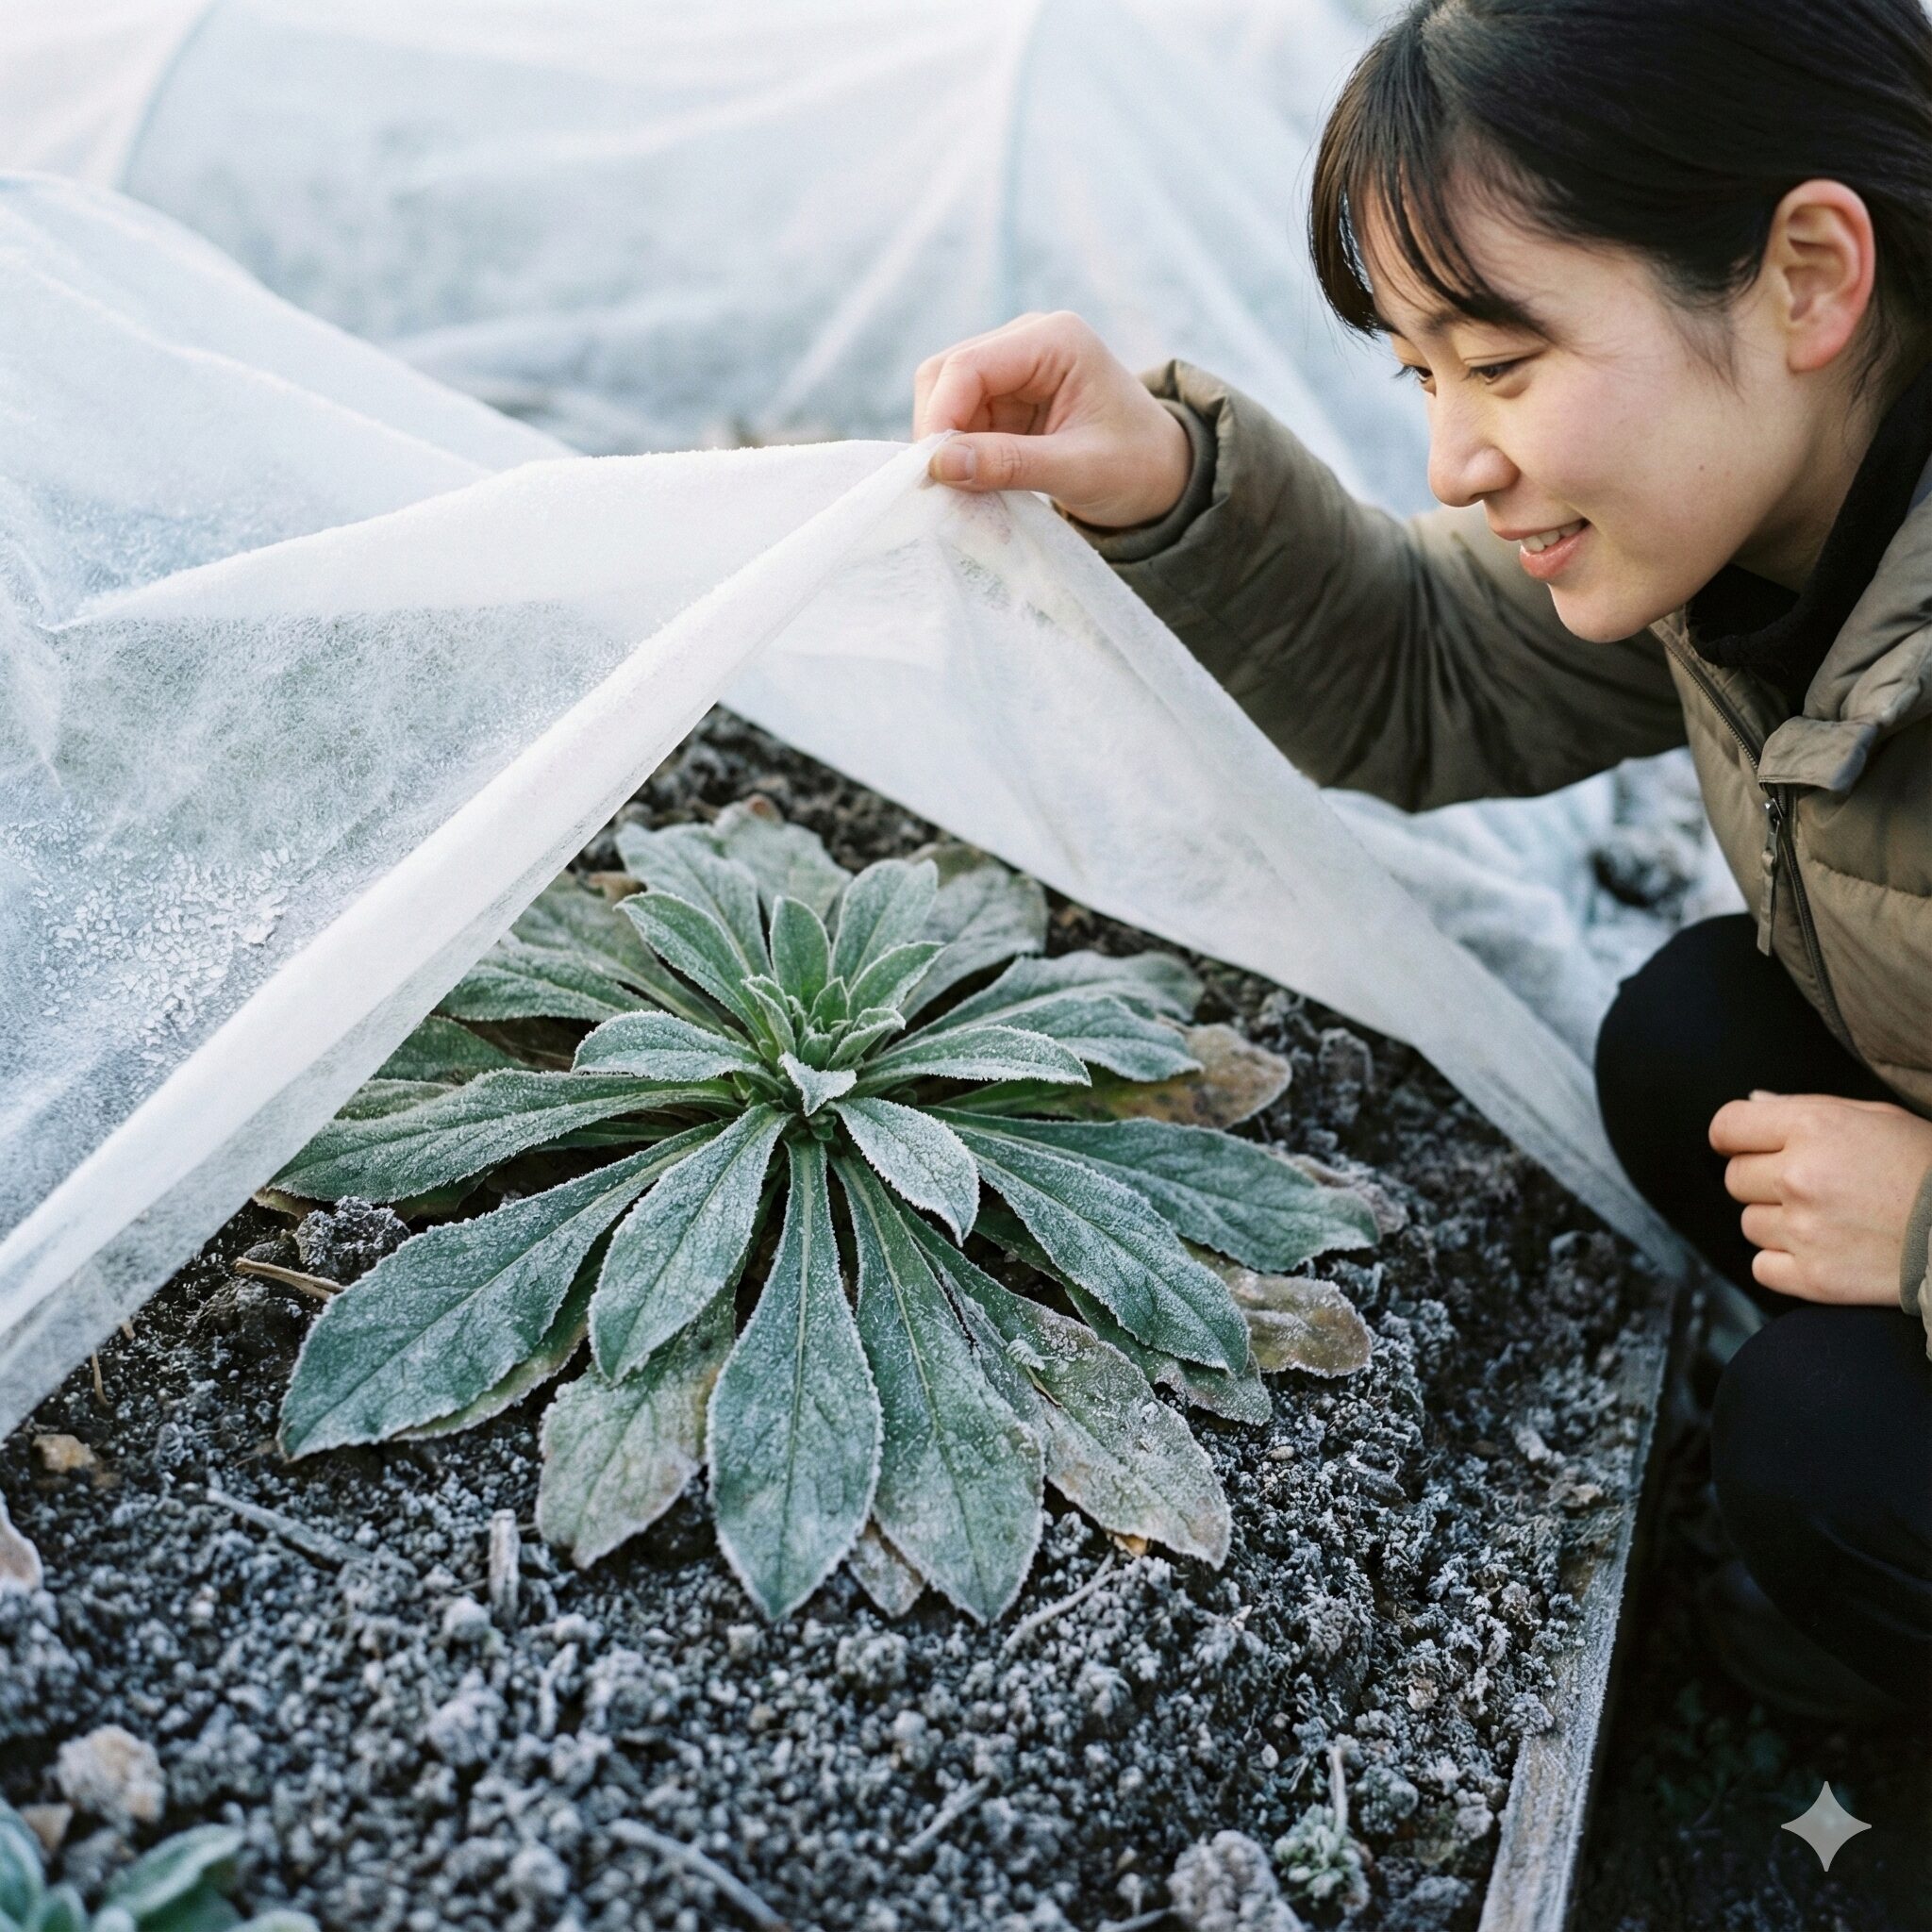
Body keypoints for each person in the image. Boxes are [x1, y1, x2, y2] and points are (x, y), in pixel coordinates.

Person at [913, 0, 1932, 1724]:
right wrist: (1159, 484)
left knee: (1826, 1452)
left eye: (1505, 362)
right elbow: (1424, 667)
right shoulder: (1760, 522)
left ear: (1809, 277)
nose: (1455, 458)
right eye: (1421, 373)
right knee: (1692, 1038)